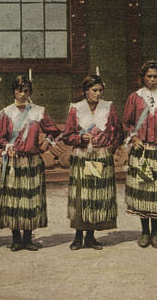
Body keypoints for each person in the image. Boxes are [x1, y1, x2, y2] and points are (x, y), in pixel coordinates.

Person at [0, 74, 60, 251]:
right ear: (13, 92)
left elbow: (53, 130)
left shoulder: (38, 111)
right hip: (14, 161)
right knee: (14, 199)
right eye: (19, 90)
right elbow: (0, 137)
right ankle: (16, 238)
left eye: (26, 91)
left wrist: (47, 141)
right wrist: (7, 146)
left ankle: (28, 238)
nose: (23, 94)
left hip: (32, 160)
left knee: (31, 200)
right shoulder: (6, 112)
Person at [64, 73, 123, 250]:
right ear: (86, 91)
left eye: (100, 90)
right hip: (82, 157)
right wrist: (80, 138)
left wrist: (108, 148)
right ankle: (77, 236)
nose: (98, 94)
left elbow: (118, 132)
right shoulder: (76, 108)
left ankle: (91, 236)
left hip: (100, 157)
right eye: (94, 90)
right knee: (81, 196)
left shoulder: (108, 108)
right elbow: (67, 135)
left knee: (96, 196)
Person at [122, 60, 157, 249]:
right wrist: (133, 137)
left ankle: (156, 234)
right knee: (143, 191)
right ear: (143, 77)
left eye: (155, 77)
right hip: (141, 151)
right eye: (149, 76)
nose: (152, 80)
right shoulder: (135, 98)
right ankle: (144, 232)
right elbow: (127, 123)